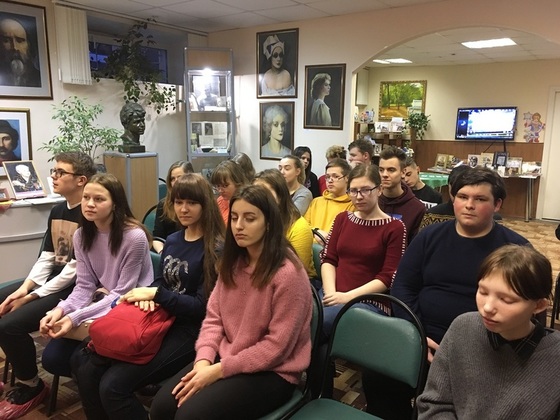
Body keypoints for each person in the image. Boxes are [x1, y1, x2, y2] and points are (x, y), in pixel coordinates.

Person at [364, 167, 530, 420]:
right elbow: (403, 287)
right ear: (453, 198)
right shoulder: (429, 236)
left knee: (455, 400)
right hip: (420, 331)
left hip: (482, 343)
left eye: (480, 199)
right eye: (462, 197)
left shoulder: (515, 249)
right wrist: (416, 335)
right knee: (376, 375)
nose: (469, 205)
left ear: (497, 204)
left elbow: (524, 312)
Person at [150, 185, 312, 419]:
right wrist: (203, 360)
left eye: (249, 218)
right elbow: (213, 319)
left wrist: (218, 370)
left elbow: (277, 348)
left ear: (268, 223)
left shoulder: (288, 273)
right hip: (228, 354)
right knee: (161, 407)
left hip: (274, 370)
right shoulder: (233, 261)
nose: (238, 226)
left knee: (190, 415)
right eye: (234, 217)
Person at [71, 173, 225, 420]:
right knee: (85, 365)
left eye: (192, 203)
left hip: (190, 330)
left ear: (205, 205)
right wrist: (151, 294)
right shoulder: (173, 240)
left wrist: (157, 294)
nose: (183, 209)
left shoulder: (216, 247)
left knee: (113, 387)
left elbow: (202, 307)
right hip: (159, 318)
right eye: (178, 202)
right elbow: (162, 280)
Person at [0, 152, 95, 419]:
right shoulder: (58, 210)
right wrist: (25, 288)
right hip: (52, 280)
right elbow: (48, 256)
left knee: (9, 325)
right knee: (3, 299)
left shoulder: (90, 214)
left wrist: (31, 297)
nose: (53, 176)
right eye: (54, 171)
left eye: (60, 172)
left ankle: (31, 384)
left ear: (81, 180)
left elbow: (74, 271)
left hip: (74, 288)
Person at [417, 245, 559, 419]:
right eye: (483, 292)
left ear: (539, 305)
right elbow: (433, 403)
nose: (488, 307)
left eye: (506, 300)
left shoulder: (555, 357)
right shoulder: (462, 328)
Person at [39, 173, 154, 381]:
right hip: (105, 300)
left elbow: (123, 292)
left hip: (131, 304)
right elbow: (84, 286)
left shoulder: (134, 237)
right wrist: (60, 310)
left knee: (82, 363)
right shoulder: (81, 235)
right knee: (52, 359)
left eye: (99, 199)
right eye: (86, 197)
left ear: (115, 204)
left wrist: (74, 317)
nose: (90, 204)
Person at [320, 163, 406, 335]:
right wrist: (331, 295)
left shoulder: (394, 227)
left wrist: (347, 297)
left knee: (316, 322)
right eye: (353, 191)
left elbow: (388, 277)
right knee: (301, 315)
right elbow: (328, 259)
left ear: (379, 190)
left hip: (369, 301)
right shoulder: (342, 219)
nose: (359, 197)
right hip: (332, 293)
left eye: (365, 190)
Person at [254, 169, 316, 282]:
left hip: (297, 281)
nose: (259, 198)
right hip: (261, 276)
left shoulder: (299, 227)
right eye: (255, 193)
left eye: (265, 193)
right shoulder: (256, 221)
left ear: (280, 196)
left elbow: (296, 273)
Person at [378, 146, 425, 242]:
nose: (384, 175)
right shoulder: (372, 201)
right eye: (381, 170)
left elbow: (415, 246)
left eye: (391, 170)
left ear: (403, 172)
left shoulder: (417, 208)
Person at [304, 158, 355, 244]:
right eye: (327, 177)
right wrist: (316, 231)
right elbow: (304, 225)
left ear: (347, 178)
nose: (330, 180)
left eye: (335, 176)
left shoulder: (353, 205)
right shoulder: (316, 201)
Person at [152, 160, 194, 253]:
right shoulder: (163, 205)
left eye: (180, 177)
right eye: (172, 179)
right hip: (168, 251)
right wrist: (162, 252)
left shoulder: (199, 203)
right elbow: (157, 237)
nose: (175, 182)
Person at [0, 17, 41, 87]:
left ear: (28, 46)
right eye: (6, 40)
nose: (15, 47)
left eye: (20, 41)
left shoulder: (38, 78)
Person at [210, 160, 250, 225]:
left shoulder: (247, 203)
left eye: (225, 186)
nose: (220, 190)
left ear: (238, 182)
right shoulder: (220, 200)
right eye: (218, 186)